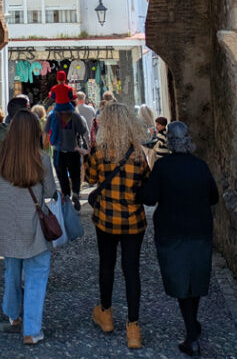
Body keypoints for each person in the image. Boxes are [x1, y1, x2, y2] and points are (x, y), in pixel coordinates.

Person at [139, 120, 218, 356]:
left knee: (182, 281)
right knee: (195, 279)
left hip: (172, 232)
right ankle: (193, 324)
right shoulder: (200, 166)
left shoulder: (163, 167)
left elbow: (150, 199)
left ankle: (191, 334)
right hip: (200, 230)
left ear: (170, 141)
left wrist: (138, 188)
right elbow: (213, 197)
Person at [83, 103, 149, 348]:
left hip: (106, 218)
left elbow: (89, 178)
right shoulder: (140, 152)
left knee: (106, 265)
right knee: (132, 270)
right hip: (133, 219)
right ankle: (133, 328)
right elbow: (147, 182)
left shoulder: (99, 151)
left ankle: (106, 313)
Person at [0, 108, 58, 345]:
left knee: (11, 269)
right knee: (37, 274)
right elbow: (50, 192)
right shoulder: (42, 159)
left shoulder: (0, 159)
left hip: (9, 224)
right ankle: (31, 329)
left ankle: (12, 314)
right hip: (34, 226)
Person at [48, 100, 89, 209]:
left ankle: (66, 198)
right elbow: (82, 130)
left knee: (62, 178)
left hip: (58, 151)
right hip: (73, 150)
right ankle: (75, 192)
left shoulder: (53, 115)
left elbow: (47, 130)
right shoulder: (75, 116)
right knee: (75, 175)